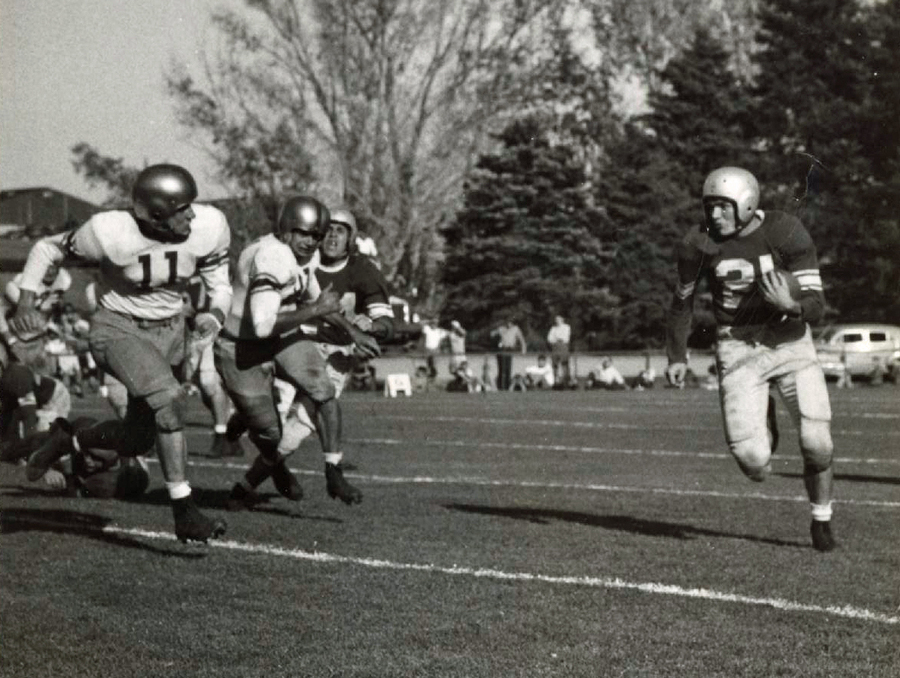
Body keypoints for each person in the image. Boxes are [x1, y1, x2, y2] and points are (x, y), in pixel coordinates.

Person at [11, 163, 232, 544]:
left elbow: (220, 284)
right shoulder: (107, 232)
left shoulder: (209, 227)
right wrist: (26, 301)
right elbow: (48, 248)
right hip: (119, 328)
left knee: (136, 439)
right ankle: (185, 511)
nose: (193, 214)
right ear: (156, 213)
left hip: (172, 330)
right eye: (182, 209)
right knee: (169, 400)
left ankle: (68, 441)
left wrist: (215, 313)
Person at [665, 166, 836, 552]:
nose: (714, 216)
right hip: (738, 346)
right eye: (709, 207)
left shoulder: (784, 231)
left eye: (723, 207)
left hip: (789, 340)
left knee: (817, 442)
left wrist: (791, 304)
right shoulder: (697, 243)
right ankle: (766, 420)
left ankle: (821, 518)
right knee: (754, 462)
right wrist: (677, 356)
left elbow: (817, 304)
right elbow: (681, 303)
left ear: (746, 204)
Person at [217, 196, 378, 511]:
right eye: (304, 233)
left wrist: (353, 332)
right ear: (286, 229)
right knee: (269, 431)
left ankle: (334, 469)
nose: (311, 242)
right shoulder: (271, 258)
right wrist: (315, 310)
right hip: (242, 343)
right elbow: (263, 325)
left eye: (317, 236)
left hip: (282, 334)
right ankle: (274, 463)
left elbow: (315, 299)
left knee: (324, 390)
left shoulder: (304, 256)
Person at [1, 415, 150, 500]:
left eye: (94, 457)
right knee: (34, 443)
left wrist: (68, 483)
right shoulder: (82, 435)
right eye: (86, 454)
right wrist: (47, 468)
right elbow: (38, 454)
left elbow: (74, 490)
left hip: (108, 472)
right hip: (75, 436)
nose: (88, 460)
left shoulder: (113, 479)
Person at [0, 262, 72, 374]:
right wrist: (9, 338)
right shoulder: (18, 287)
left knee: (41, 378)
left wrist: (53, 327)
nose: (50, 272)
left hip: (34, 340)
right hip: (12, 338)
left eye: (54, 267)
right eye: (47, 267)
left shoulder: (61, 281)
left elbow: (49, 309)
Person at [490, 318, 527, 390]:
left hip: (509, 349)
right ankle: (500, 386)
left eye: (510, 323)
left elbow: (521, 339)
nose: (508, 324)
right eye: (507, 323)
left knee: (507, 368)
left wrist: (523, 349)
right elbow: (492, 334)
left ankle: (507, 386)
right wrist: (496, 333)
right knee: (501, 368)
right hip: (502, 349)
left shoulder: (516, 329)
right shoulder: (502, 328)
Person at [547, 315, 572, 387]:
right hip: (555, 347)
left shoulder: (566, 327)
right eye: (556, 319)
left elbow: (565, 338)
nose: (556, 321)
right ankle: (556, 382)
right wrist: (556, 340)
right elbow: (549, 338)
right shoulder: (553, 328)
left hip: (563, 346)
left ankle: (566, 382)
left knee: (564, 364)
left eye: (558, 319)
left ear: (562, 319)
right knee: (555, 365)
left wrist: (558, 338)